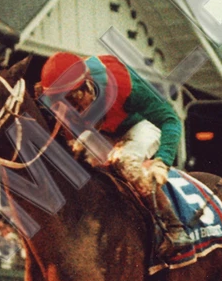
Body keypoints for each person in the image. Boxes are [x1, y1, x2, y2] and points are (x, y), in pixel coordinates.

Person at [37, 52, 191, 255]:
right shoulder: (56, 100)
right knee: (75, 158)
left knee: (126, 161)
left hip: (141, 124)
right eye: (62, 103)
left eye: (74, 99)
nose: (71, 110)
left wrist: (162, 161)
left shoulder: (123, 83)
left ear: (88, 84)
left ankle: (174, 227)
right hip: (105, 131)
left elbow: (170, 119)